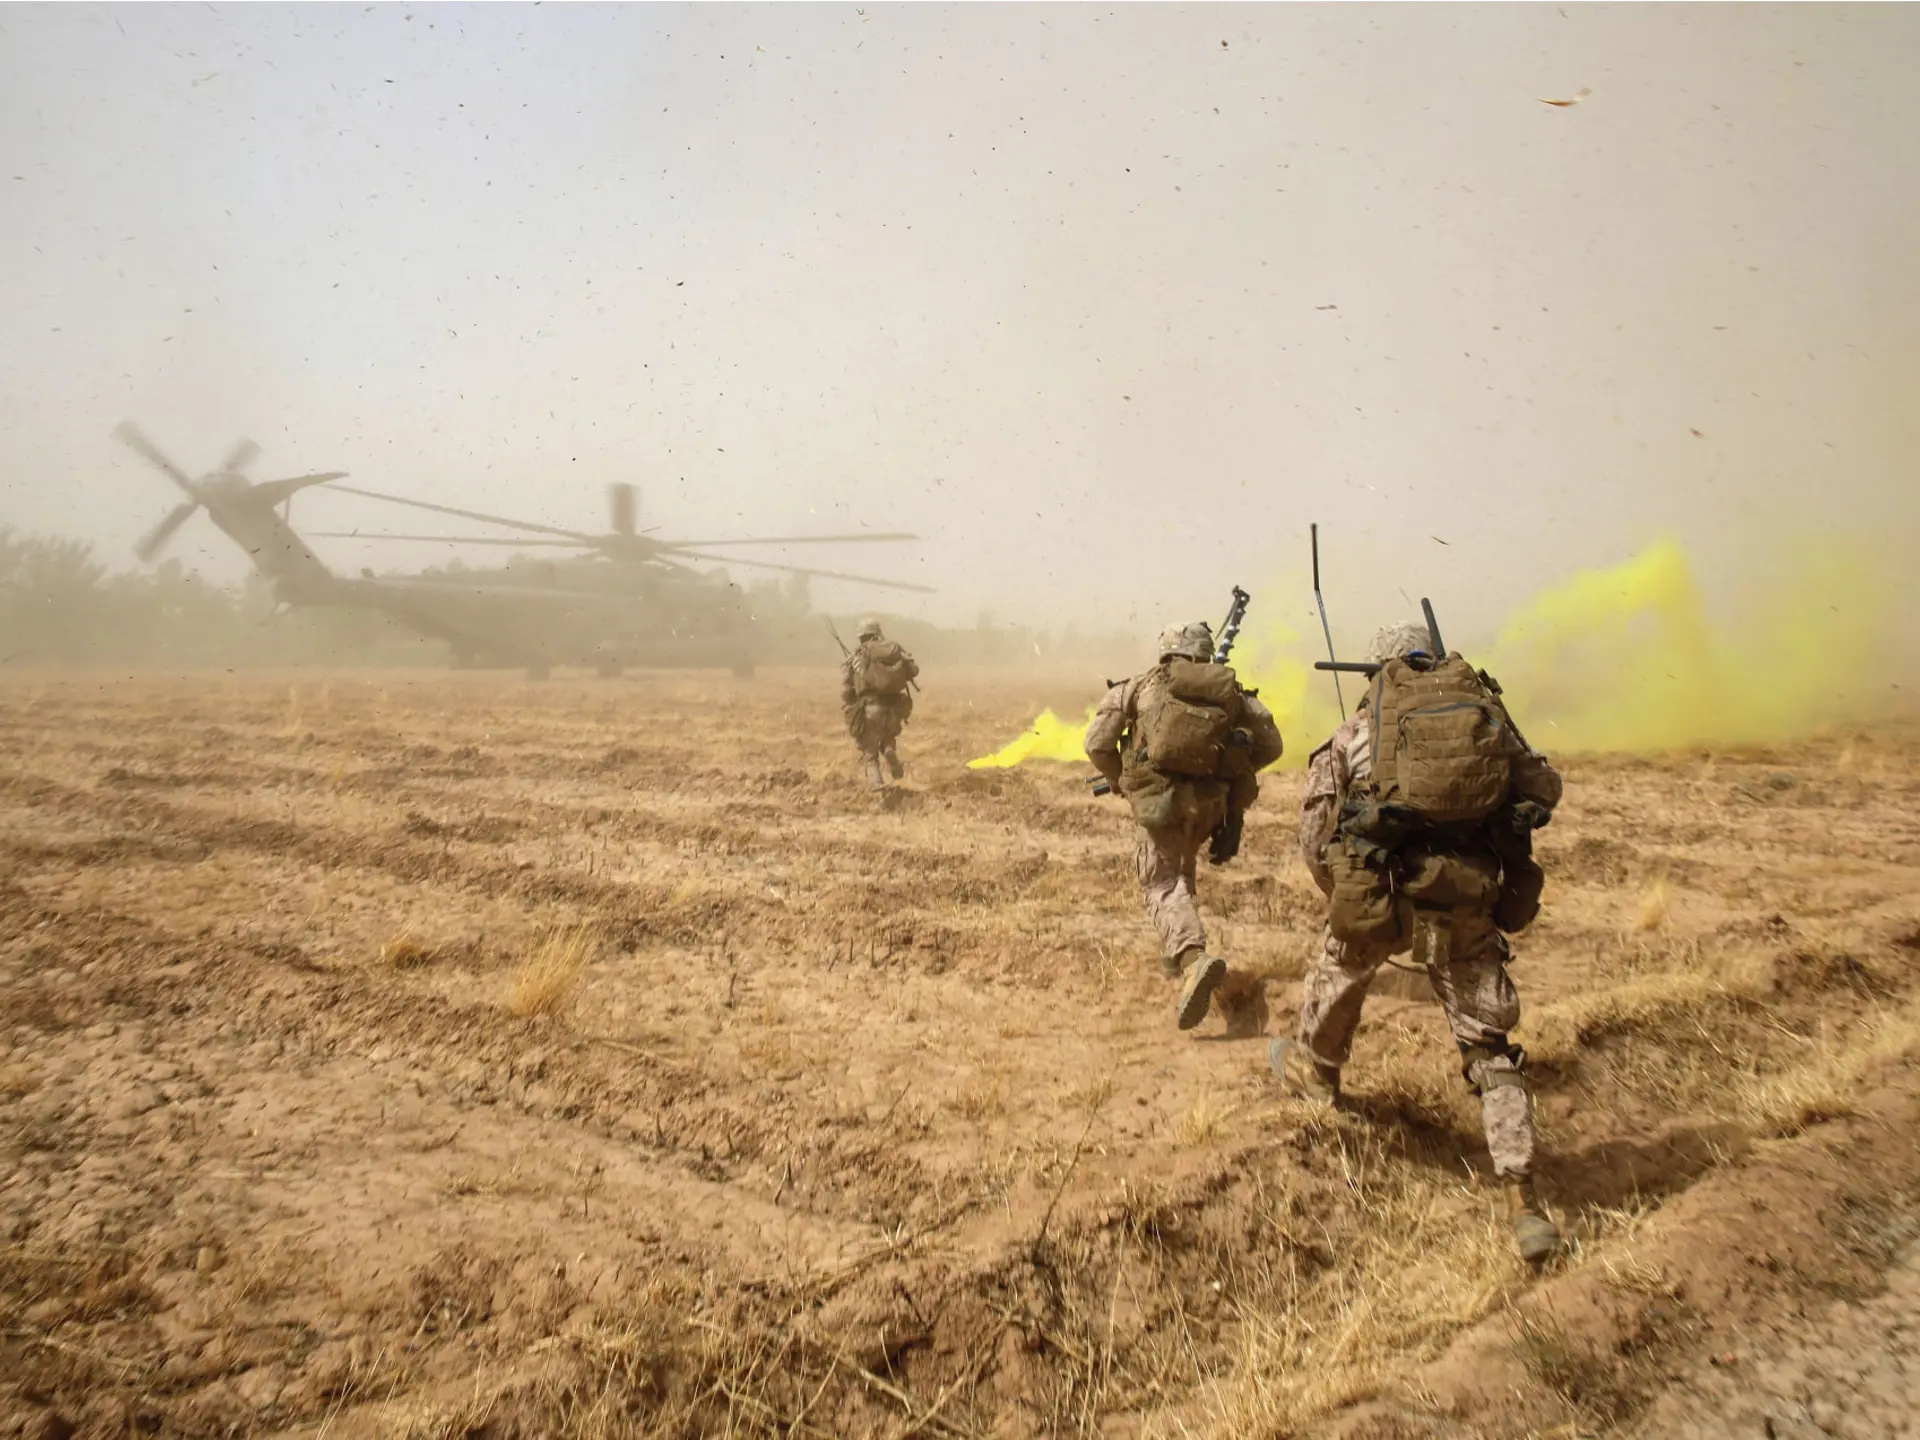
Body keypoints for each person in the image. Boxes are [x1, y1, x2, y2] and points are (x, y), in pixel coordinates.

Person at [1270, 621, 1565, 1264]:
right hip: (1467, 902)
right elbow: (1545, 790)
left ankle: (1317, 1074)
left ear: (1377, 673)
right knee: (1490, 1050)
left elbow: (1314, 837)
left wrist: (1345, 893)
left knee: (1341, 966)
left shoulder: (1356, 732)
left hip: (1384, 897)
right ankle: (1522, 1199)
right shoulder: (1484, 719)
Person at [1085, 621, 1284, 1029]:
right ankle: (1174, 960)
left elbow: (1097, 743)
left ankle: (1192, 958)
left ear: (1166, 651)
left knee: (1159, 883)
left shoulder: (1140, 686)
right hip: (1213, 804)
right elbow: (1272, 744)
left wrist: (1120, 779)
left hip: (1162, 803)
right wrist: (1228, 774)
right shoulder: (1231, 692)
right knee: (1179, 872)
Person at [840, 617, 919, 790]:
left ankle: (877, 784)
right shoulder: (893, 651)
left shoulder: (857, 657)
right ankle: (890, 750)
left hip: (871, 709)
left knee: (870, 753)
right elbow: (914, 670)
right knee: (886, 736)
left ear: (861, 637)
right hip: (894, 710)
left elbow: (846, 693)